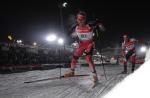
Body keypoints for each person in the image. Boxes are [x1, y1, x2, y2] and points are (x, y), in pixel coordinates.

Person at [63, 11, 105, 86]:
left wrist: (99, 24)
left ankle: (95, 78)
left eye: (82, 19)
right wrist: (66, 34)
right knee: (74, 57)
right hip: (81, 44)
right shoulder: (75, 26)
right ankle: (72, 72)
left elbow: (102, 28)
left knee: (88, 59)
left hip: (89, 44)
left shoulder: (89, 25)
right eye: (79, 19)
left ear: (85, 19)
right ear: (77, 19)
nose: (80, 21)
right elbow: (68, 34)